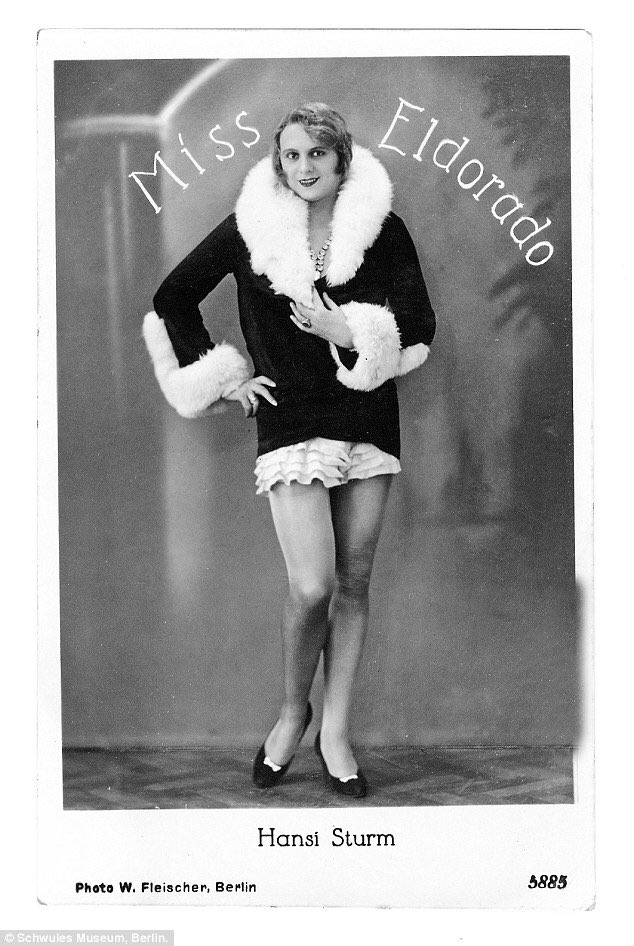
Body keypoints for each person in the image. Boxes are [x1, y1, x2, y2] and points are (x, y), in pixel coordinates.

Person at [143, 103, 436, 798]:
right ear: (279, 162)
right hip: (291, 420)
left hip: (366, 412)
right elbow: (173, 297)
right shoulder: (252, 224)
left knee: (355, 582)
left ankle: (335, 732)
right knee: (312, 587)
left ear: (341, 158)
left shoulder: (383, 227)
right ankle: (291, 712)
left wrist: (349, 330)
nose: (303, 168)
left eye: (316, 154)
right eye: (292, 155)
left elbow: (420, 323)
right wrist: (229, 380)